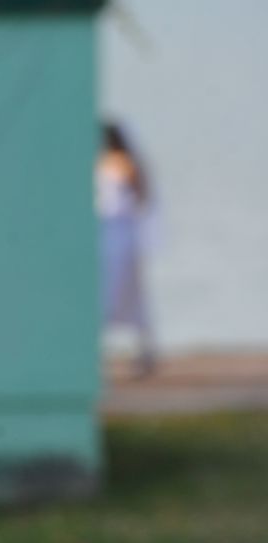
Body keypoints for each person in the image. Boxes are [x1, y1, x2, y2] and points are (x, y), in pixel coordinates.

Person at [98, 120, 158, 378]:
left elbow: (140, 194)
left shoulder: (121, 163)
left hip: (119, 232)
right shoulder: (106, 162)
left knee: (119, 291)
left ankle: (144, 350)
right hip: (104, 230)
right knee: (108, 293)